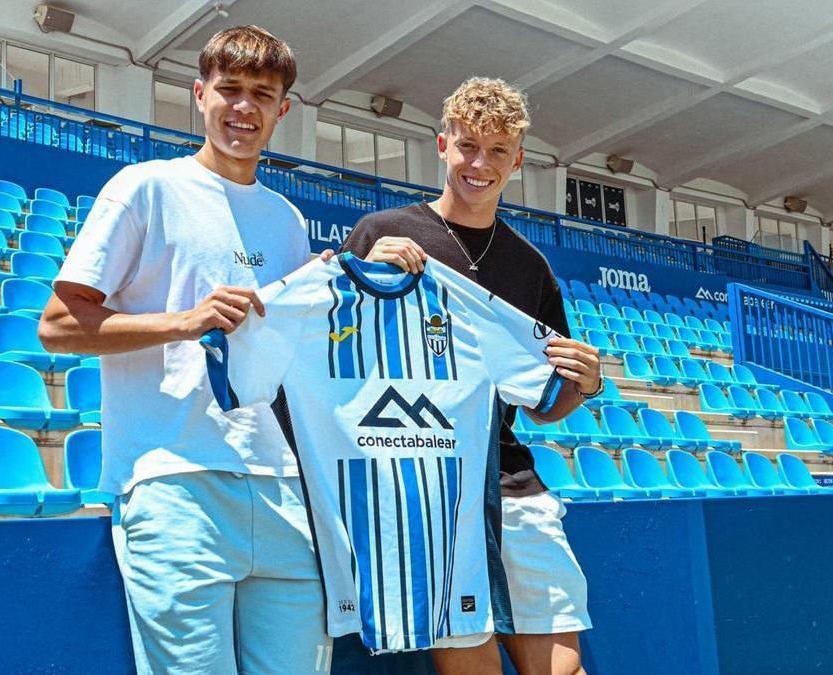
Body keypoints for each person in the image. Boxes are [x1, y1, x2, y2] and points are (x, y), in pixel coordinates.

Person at [40, 26, 331, 675]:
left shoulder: (287, 219)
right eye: (229, 89)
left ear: (283, 109)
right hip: (173, 486)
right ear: (200, 95)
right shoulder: (145, 187)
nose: (244, 108)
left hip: (283, 490)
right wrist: (185, 322)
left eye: (262, 94)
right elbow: (58, 324)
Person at [341, 77, 600, 675]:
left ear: (518, 160)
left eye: (497, 150)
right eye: (467, 146)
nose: (479, 164)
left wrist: (584, 384)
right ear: (442, 145)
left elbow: (543, 404)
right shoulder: (381, 234)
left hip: (513, 485)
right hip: (426, 491)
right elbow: (329, 349)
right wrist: (361, 275)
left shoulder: (530, 268)